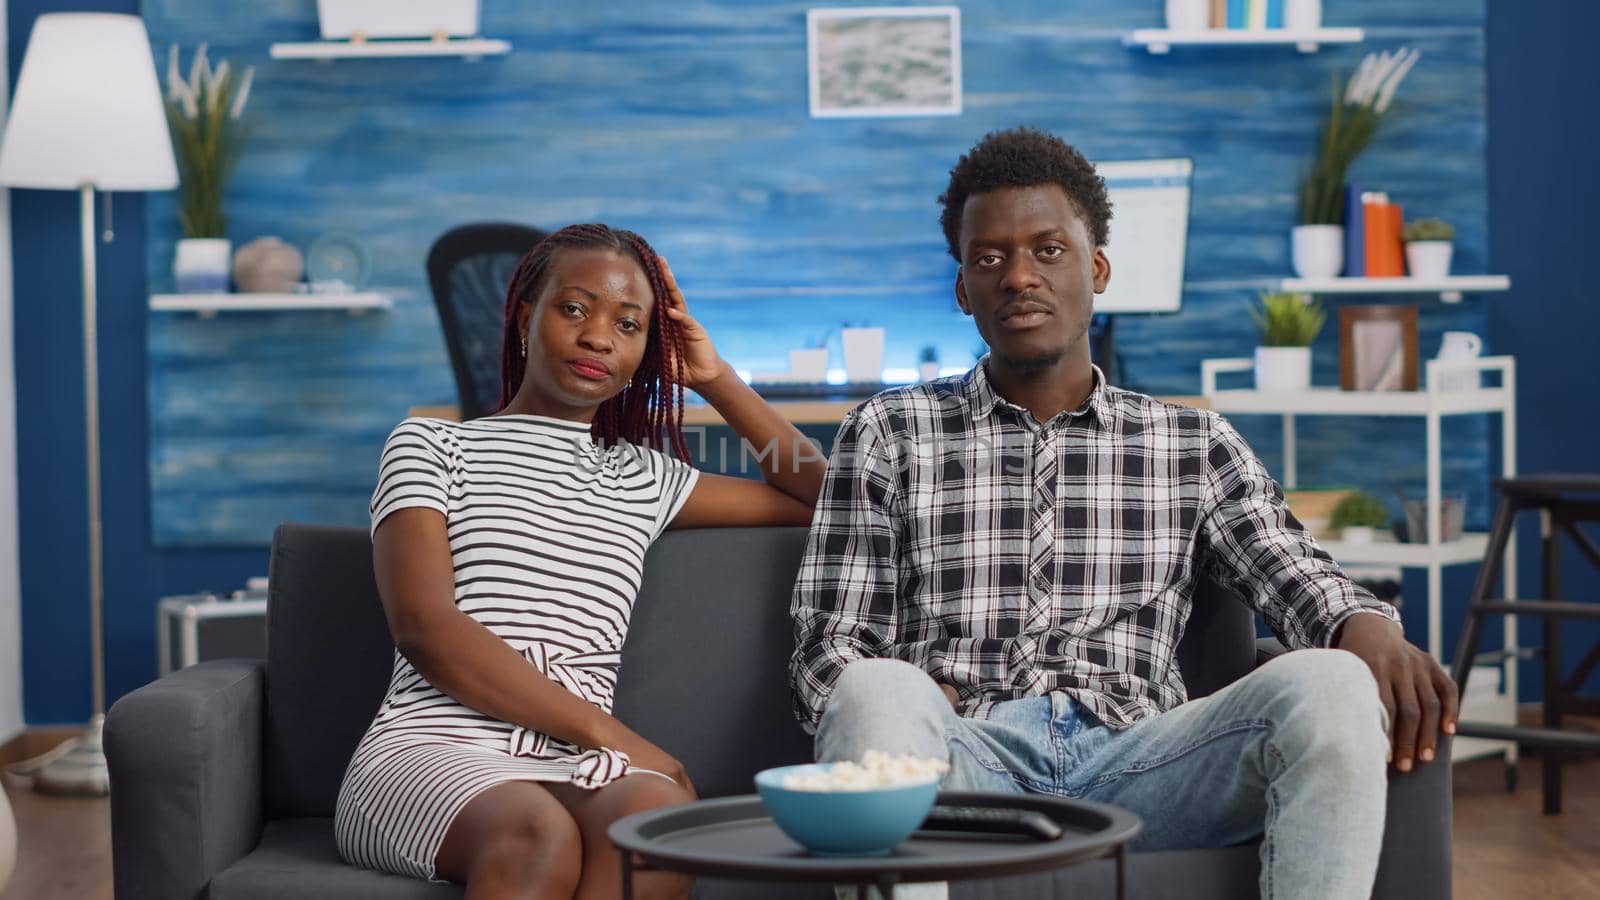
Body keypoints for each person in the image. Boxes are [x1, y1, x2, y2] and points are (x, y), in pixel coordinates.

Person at [790, 128, 1457, 899]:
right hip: (962, 761)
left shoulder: (1193, 441)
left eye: (1047, 250)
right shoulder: (887, 431)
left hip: (1147, 763)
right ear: (962, 290)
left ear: (1096, 268)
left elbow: (1296, 573)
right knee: (874, 690)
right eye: (988, 259)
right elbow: (827, 652)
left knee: (1333, 681)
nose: (1017, 277)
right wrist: (913, 700)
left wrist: (1365, 628)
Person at [336, 223, 826, 900]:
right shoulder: (429, 445)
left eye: (628, 325)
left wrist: (715, 380)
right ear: (524, 317)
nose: (599, 337)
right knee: (538, 835)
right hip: (430, 748)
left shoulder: (645, 478)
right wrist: (617, 737)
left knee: (658, 830)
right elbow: (425, 627)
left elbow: (829, 497)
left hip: (578, 763)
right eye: (575, 309)